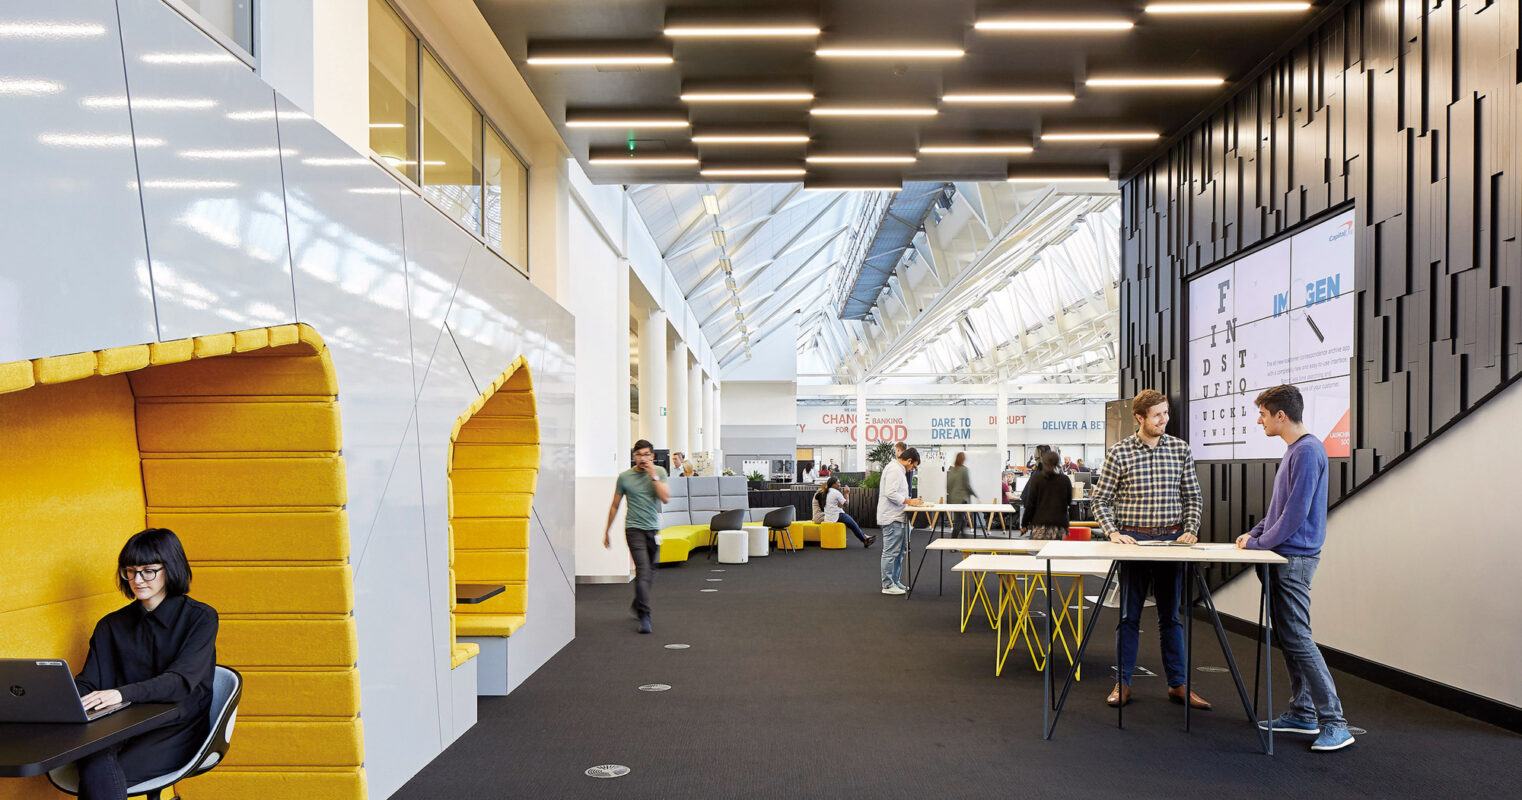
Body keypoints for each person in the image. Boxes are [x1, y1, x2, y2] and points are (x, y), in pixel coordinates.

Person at [1237, 385, 1353, 752]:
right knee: (1290, 637)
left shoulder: (1306, 451)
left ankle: (1335, 722)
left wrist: (1257, 543)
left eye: (1263, 414)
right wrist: (1254, 533)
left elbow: (1296, 515)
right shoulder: (1296, 451)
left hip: (1295, 559)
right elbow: (1278, 511)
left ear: (1280, 416)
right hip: (1283, 557)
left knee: (1299, 638)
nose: (1259, 420)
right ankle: (1303, 712)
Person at [72, 528, 218, 800]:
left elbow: (179, 682)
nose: (137, 580)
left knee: (96, 773)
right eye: (130, 571)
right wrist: (64, 697)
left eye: (148, 571)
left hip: (178, 727)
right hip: (121, 726)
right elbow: (89, 680)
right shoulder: (111, 625)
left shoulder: (201, 618)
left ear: (170, 568)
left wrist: (121, 693)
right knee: (94, 759)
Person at [1091, 390, 1209, 711]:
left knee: (1171, 617)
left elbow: (1193, 497)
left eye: (1166, 413)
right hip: (1133, 542)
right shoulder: (1119, 453)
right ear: (1140, 418)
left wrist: (1190, 529)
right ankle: (1124, 683)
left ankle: (1178, 684)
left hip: (1172, 541)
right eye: (1157, 415)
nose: (1164, 420)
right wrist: (1113, 532)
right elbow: (1099, 500)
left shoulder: (1180, 450)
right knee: (1129, 616)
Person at [604, 439, 670, 634]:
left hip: (653, 530)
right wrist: (607, 531)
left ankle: (638, 602)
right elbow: (615, 505)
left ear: (652, 456)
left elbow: (665, 498)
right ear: (633, 456)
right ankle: (644, 616)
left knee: (651, 569)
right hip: (633, 528)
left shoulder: (660, 472)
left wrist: (653, 476)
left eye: (646, 455)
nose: (643, 458)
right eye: (639, 455)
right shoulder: (624, 477)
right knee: (642, 570)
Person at [877, 447, 925, 594]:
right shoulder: (894, 470)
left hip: (898, 516)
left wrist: (909, 501)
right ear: (909, 461)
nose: (912, 469)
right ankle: (887, 585)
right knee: (891, 552)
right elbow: (890, 493)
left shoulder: (898, 470)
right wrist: (909, 501)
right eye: (913, 466)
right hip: (892, 517)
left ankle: (894, 581)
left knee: (900, 551)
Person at [1022, 450, 1073, 539]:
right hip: (1060, 524)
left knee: (1040, 551)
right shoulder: (1065, 480)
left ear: (1043, 462)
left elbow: (1030, 504)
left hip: (1040, 524)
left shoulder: (1037, 479)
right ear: (1058, 462)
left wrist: (1024, 524)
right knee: (1056, 551)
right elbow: (1069, 501)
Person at [815, 477, 875, 547]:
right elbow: (846, 504)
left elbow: (839, 505)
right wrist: (847, 493)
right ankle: (865, 541)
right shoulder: (836, 492)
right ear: (833, 484)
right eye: (838, 483)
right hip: (837, 516)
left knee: (852, 524)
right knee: (853, 525)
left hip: (828, 517)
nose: (840, 484)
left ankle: (865, 536)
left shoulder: (826, 492)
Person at [946, 451, 978, 536]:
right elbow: (967, 485)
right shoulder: (964, 470)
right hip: (962, 500)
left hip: (954, 499)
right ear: (963, 460)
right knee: (960, 521)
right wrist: (975, 495)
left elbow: (948, 485)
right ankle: (954, 542)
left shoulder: (951, 470)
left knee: (961, 520)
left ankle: (964, 538)